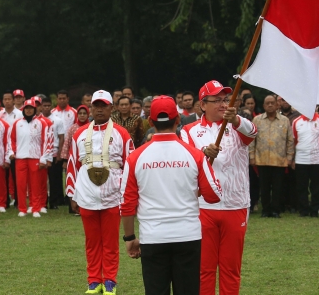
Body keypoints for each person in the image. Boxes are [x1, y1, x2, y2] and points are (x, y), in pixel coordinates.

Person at [121, 95, 222, 295]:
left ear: (150, 122)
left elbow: (126, 202)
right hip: (187, 235)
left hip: (153, 237)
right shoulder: (195, 155)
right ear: (178, 120)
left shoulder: (135, 157)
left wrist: (130, 237)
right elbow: (213, 195)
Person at [180, 80, 257, 295]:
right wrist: (203, 153)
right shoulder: (188, 131)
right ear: (203, 105)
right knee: (204, 268)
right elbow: (186, 162)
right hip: (204, 206)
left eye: (225, 99)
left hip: (236, 204)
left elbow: (253, 133)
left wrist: (237, 120)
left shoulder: (238, 125)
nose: (223, 104)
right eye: (217, 100)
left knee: (231, 268)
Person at [66, 90, 134, 295]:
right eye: (96, 105)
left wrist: (128, 195)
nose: (99, 109)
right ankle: (94, 280)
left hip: (113, 195)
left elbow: (130, 165)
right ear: (90, 108)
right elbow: (72, 164)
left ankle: (110, 280)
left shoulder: (121, 133)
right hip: (86, 194)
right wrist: (72, 194)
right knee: (92, 241)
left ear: (111, 108)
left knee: (111, 242)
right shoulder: (79, 134)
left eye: (104, 105)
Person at [249, 95, 294, 218]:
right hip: (262, 159)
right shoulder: (257, 120)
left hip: (279, 159)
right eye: (267, 103)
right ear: (263, 106)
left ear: (277, 105)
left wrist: (289, 157)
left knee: (278, 187)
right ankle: (265, 210)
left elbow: (290, 140)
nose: (270, 105)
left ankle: (275, 210)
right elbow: (252, 140)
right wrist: (251, 156)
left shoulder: (284, 120)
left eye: (272, 103)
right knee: (264, 187)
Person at [9, 99, 51, 217]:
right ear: (23, 110)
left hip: (35, 157)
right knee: (21, 184)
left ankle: (35, 208)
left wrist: (44, 158)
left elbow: (46, 142)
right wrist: (12, 152)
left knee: (35, 184)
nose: (28, 110)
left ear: (34, 110)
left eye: (31, 108)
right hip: (20, 157)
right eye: (26, 108)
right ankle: (22, 209)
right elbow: (11, 140)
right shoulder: (17, 123)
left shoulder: (41, 123)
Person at [292, 112, 319, 217]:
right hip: (301, 159)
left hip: (317, 159)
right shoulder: (296, 121)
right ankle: (303, 210)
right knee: (301, 187)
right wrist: (293, 159)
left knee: (316, 187)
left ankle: (314, 210)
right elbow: (294, 141)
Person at [60, 104, 90, 214]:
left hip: (87, 160)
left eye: (84, 113)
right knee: (73, 181)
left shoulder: (92, 127)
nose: (82, 116)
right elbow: (67, 143)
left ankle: (85, 206)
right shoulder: (73, 128)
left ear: (88, 114)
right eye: (80, 113)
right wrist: (65, 160)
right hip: (73, 160)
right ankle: (73, 206)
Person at [41, 97, 66, 209]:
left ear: (51, 106)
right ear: (41, 107)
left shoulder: (57, 120)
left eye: (48, 106)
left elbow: (61, 137)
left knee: (54, 179)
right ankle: (43, 202)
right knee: (41, 180)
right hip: (41, 153)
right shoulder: (37, 120)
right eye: (44, 106)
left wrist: (60, 153)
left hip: (54, 152)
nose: (46, 108)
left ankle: (54, 202)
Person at [0, 90, 21, 207]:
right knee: (4, 176)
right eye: (5, 99)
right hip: (2, 148)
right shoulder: (0, 114)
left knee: (15, 175)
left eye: (9, 99)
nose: (7, 101)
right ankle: (5, 200)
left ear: (13, 100)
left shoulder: (19, 114)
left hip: (15, 148)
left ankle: (17, 199)